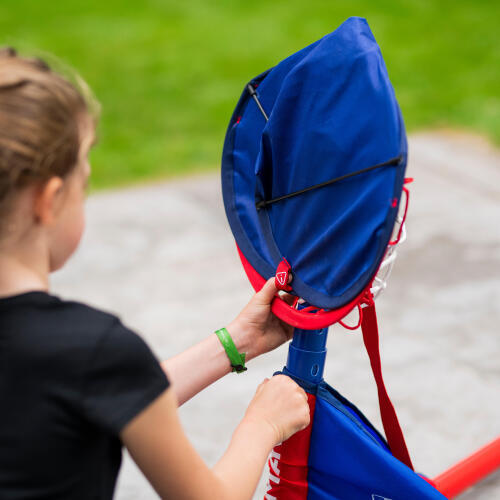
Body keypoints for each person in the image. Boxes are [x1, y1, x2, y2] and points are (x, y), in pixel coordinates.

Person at [0, 48, 310, 499]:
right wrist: (262, 424)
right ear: (48, 201)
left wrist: (236, 342)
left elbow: (98, 391)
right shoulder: (92, 350)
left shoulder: (82, 361)